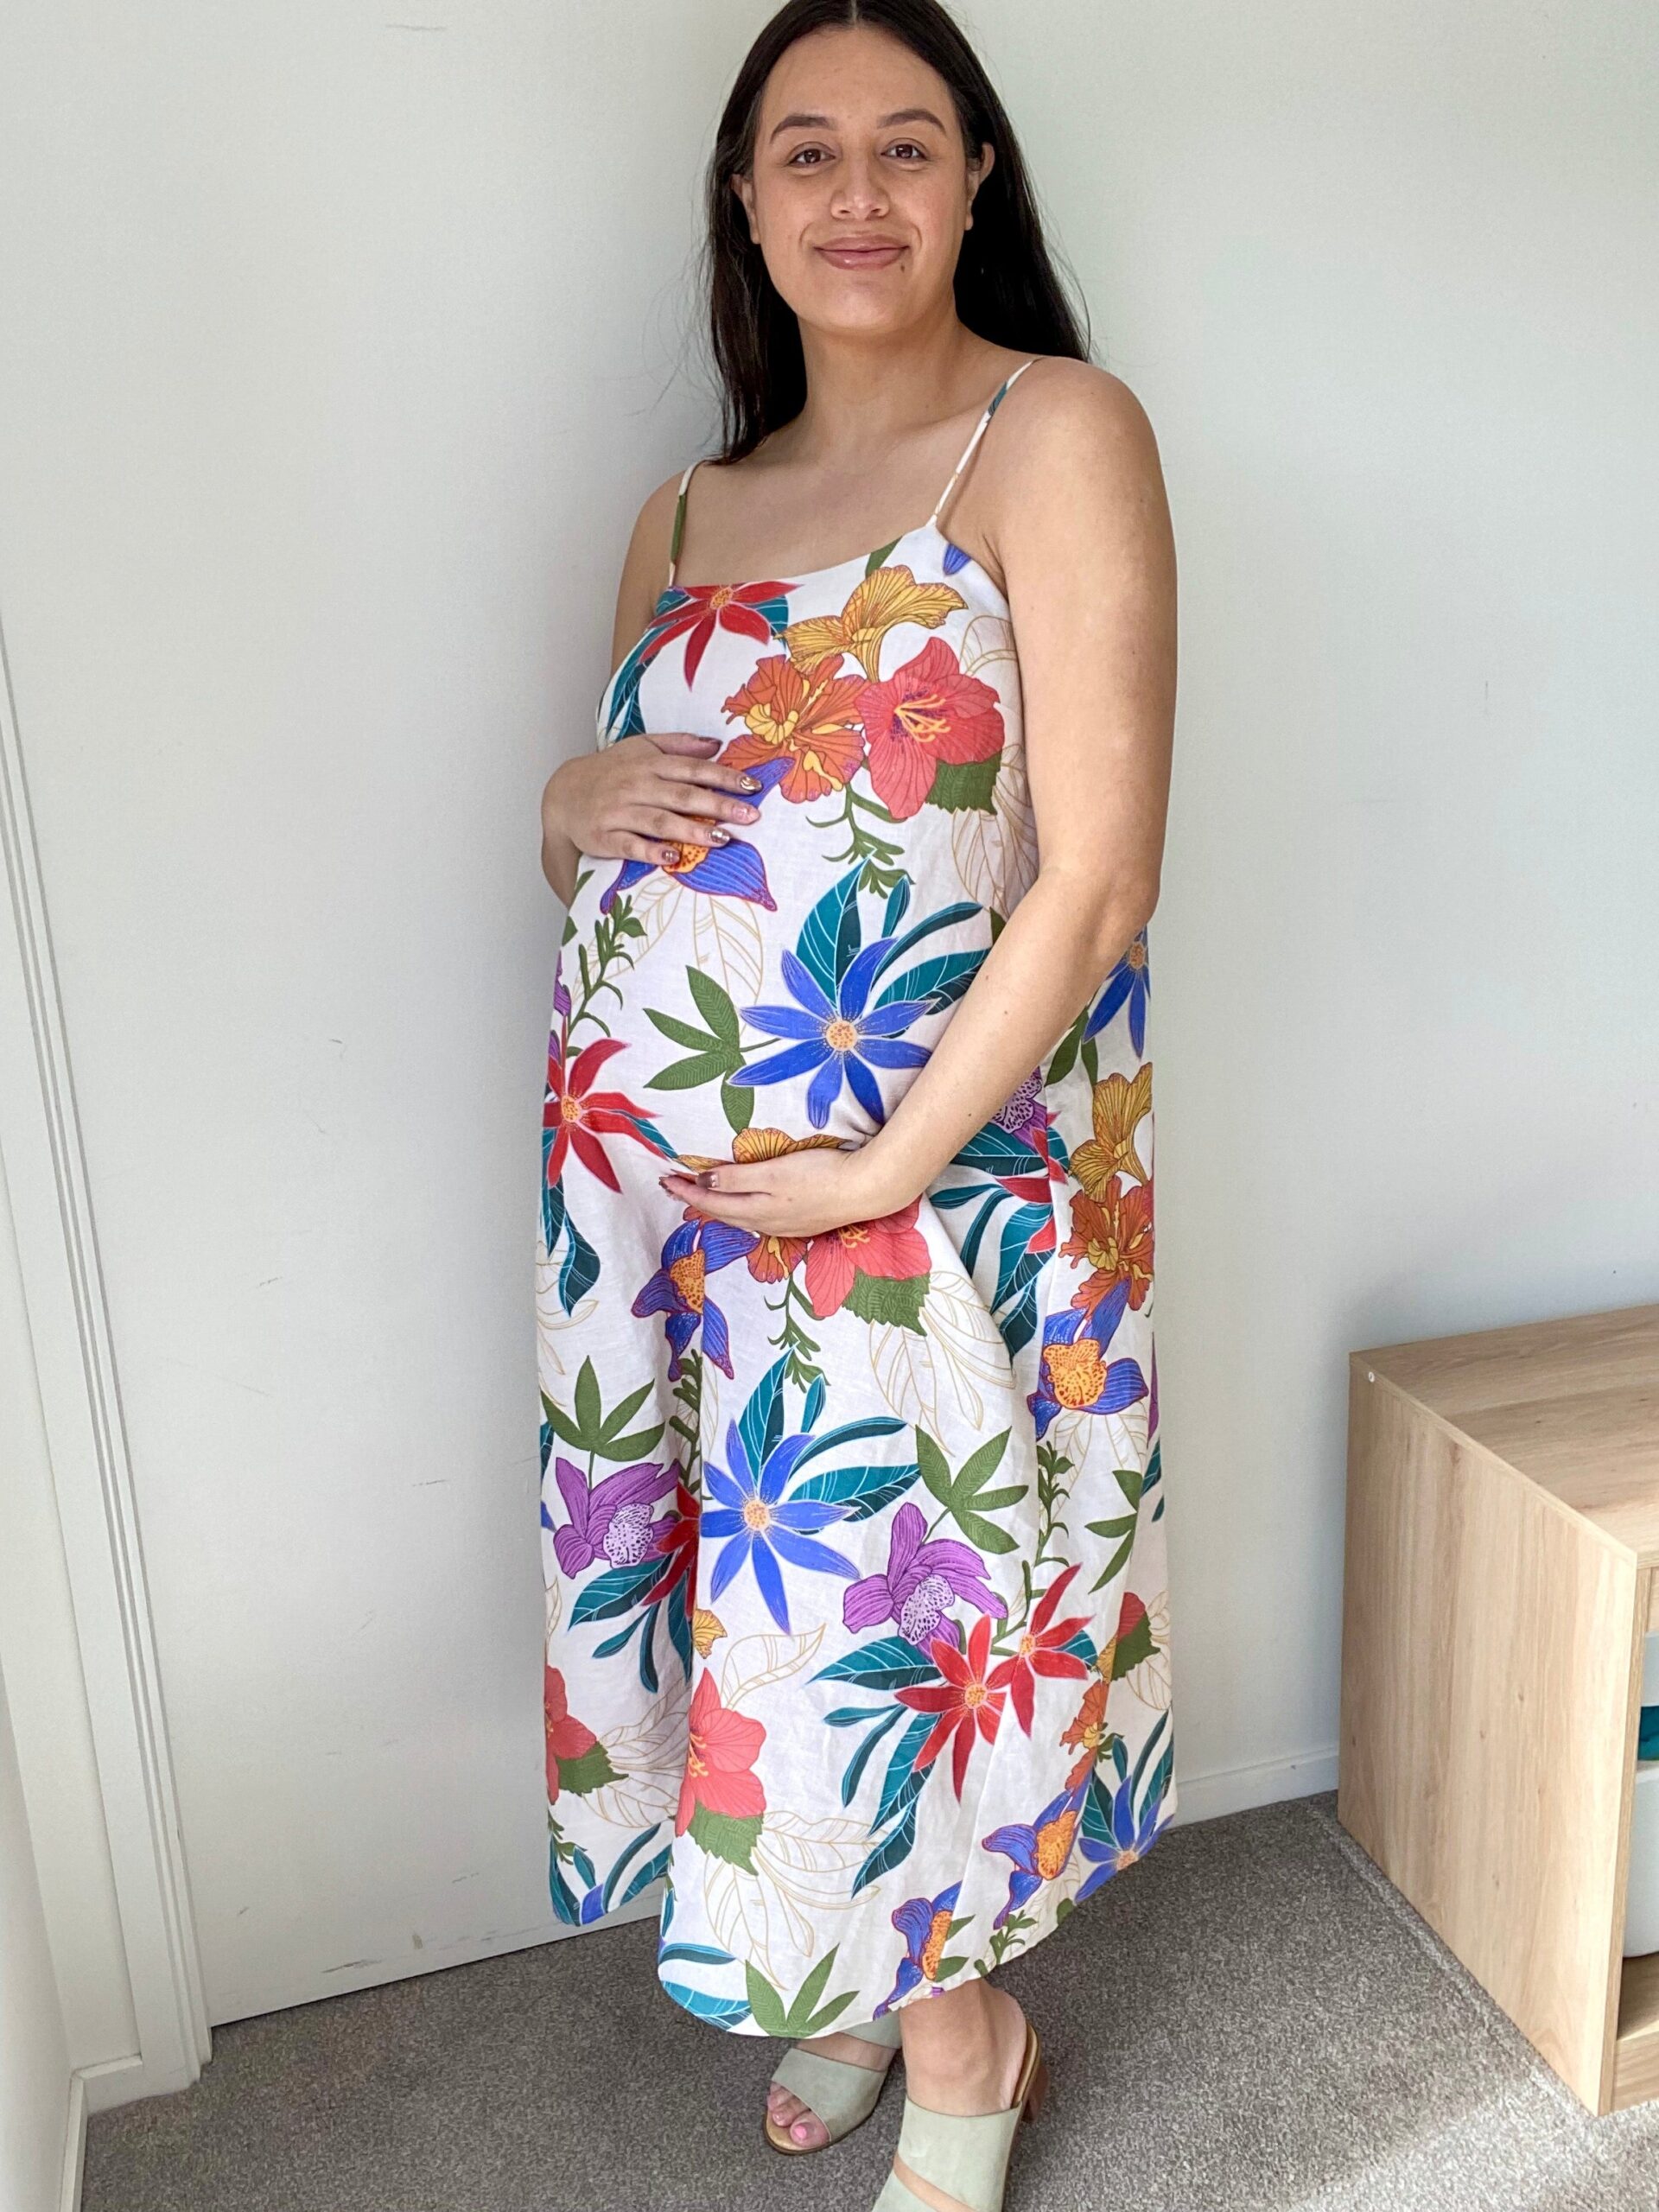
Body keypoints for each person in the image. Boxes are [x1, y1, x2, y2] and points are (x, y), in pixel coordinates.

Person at [537, 3, 1176, 2205]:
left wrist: (878, 1167)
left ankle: (968, 2030)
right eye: (806, 151)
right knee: (762, 1623)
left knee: (885, 1621)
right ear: (745, 199)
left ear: (979, 177)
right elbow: (634, 848)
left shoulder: (1053, 430)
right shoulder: (678, 512)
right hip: (664, 1211)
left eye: (910, 144)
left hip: (932, 1175)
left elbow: (1099, 875)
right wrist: (560, 801)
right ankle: (862, 1960)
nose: (859, 192)